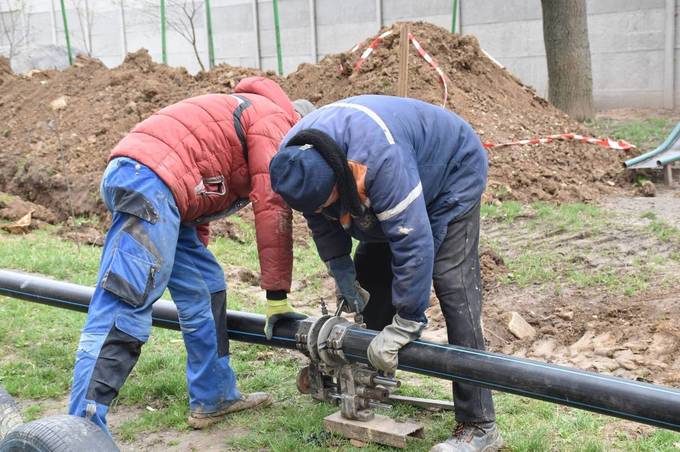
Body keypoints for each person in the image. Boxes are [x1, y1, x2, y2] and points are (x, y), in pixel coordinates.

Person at [68, 77, 314, 433]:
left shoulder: (250, 110)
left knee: (204, 286)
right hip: (148, 180)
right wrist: (276, 296)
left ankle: (214, 397)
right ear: (300, 127)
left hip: (156, 184)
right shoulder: (276, 121)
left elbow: (199, 192)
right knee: (124, 303)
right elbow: (272, 205)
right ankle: (80, 430)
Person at [269, 95, 502, 452]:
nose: (320, 210)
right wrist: (341, 269)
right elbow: (319, 218)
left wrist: (408, 320)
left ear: (337, 177)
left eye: (326, 201)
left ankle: (479, 424)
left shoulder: (379, 160)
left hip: (451, 172)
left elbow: (413, 242)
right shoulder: (293, 162)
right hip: (390, 173)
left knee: (452, 284)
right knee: (372, 273)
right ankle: (368, 382)